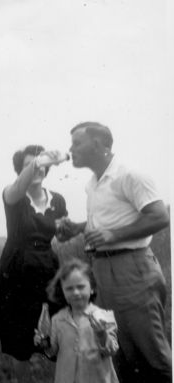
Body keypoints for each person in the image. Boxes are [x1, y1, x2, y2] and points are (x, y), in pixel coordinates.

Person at [57, 122, 171, 383]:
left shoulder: (129, 174)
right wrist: (77, 228)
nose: (70, 149)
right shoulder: (93, 183)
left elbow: (159, 217)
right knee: (118, 352)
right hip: (104, 273)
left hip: (132, 270)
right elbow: (109, 222)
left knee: (152, 355)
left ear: (98, 144)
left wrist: (113, 236)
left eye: (77, 143)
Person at [0, 145, 68, 382]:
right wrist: (39, 160)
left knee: (59, 329)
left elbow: (62, 233)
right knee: (20, 340)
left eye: (40, 164)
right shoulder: (13, 194)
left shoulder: (57, 199)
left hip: (48, 268)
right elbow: (18, 187)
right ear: (20, 171)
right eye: (28, 165)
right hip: (16, 270)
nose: (37, 168)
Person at [34, 258, 119, 383]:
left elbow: (111, 350)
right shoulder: (58, 320)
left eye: (81, 287)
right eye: (69, 288)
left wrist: (102, 335)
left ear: (92, 288)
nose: (75, 292)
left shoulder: (104, 317)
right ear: (62, 292)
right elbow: (53, 352)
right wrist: (44, 344)